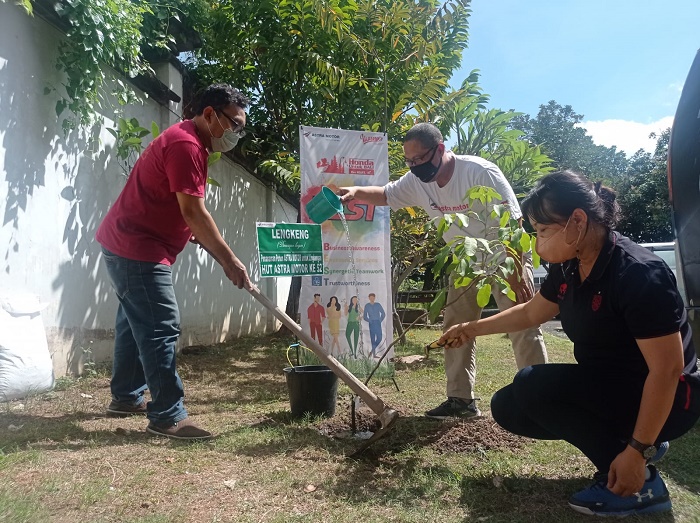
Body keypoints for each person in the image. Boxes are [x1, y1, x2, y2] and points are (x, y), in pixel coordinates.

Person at [440, 170, 700, 516]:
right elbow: (530, 313)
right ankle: (624, 445)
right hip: (614, 386)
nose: (539, 241)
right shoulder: (572, 266)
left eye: (544, 230)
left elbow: (667, 371)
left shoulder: (638, 273)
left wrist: (637, 449)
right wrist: (471, 328)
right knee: (508, 406)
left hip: (672, 397)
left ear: (578, 220)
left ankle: (641, 482)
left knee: (533, 384)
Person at [337, 122, 547, 418]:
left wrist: (515, 274)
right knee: (454, 325)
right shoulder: (416, 181)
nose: (413, 167)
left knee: (522, 324)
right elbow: (386, 194)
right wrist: (356, 191)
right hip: (465, 260)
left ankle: (541, 399)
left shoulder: (479, 172)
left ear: (440, 149)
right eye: (409, 161)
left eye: (419, 159)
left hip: (504, 255)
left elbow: (513, 224)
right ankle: (461, 400)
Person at [96, 84, 252, 441]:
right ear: (210, 114)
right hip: (137, 248)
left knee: (134, 323)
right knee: (159, 324)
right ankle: (168, 415)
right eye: (234, 124)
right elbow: (194, 211)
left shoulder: (190, 142)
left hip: (128, 243)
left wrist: (189, 230)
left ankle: (125, 396)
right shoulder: (186, 145)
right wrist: (231, 262)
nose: (236, 133)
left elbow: (179, 206)